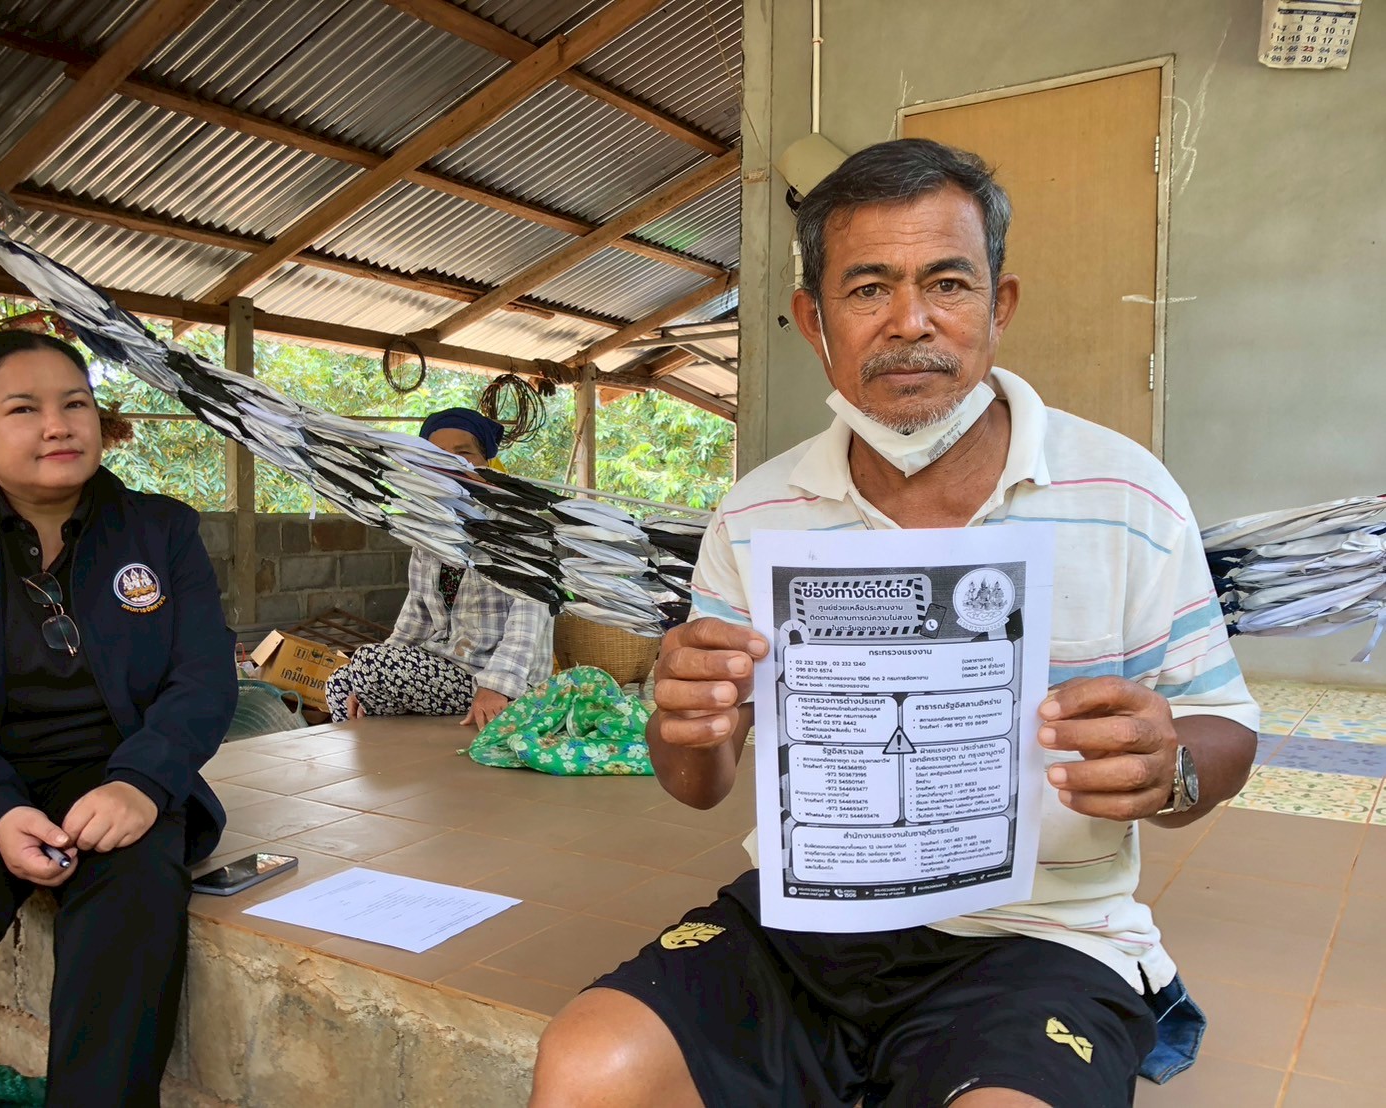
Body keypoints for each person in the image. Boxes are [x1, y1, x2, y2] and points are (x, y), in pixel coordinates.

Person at [531, 139, 1259, 1107]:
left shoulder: (1125, 493)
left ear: (997, 306)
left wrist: (1167, 765)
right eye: (867, 288)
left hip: (1038, 935)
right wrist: (683, 727)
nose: (909, 321)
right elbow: (697, 785)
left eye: (946, 282)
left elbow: (1227, 726)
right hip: (803, 927)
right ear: (813, 319)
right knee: (587, 1064)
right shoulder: (757, 512)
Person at [0, 331, 237, 1106]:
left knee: (138, 896)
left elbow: (203, 678)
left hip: (114, 776)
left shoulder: (160, 528)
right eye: (24, 409)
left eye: (75, 404)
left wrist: (144, 784)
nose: (58, 425)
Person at [325, 407, 553, 730]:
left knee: (367, 664)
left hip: (491, 676)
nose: (450, 464)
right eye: (437, 455)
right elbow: (415, 616)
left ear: (485, 463)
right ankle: (381, 762)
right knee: (340, 683)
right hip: (445, 667)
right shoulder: (430, 530)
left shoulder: (517, 525)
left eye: (464, 454)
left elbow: (531, 613)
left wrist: (499, 684)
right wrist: (366, 682)